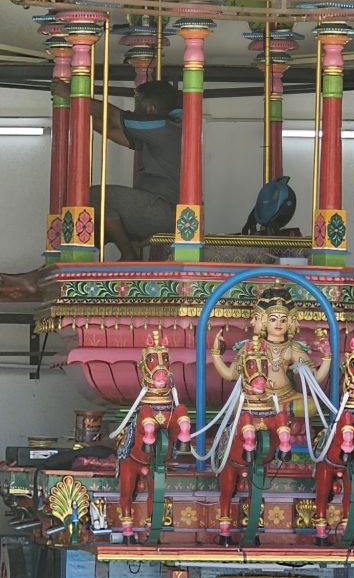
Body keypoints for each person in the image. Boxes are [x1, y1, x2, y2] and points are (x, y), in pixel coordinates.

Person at [52, 76, 182, 261]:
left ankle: (129, 255)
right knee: (90, 217)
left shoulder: (162, 126)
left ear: (150, 109)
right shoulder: (157, 132)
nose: (134, 111)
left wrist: (73, 95)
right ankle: (72, 260)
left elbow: (113, 116)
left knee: (97, 197)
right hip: (153, 209)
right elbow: (108, 128)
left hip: (164, 212)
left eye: (137, 105)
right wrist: (76, 107)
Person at [211, 286, 331, 416]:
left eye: (283, 320)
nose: (278, 324)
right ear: (263, 321)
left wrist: (327, 356)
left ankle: (272, 412)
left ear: (289, 322)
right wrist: (216, 353)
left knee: (310, 405)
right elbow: (230, 375)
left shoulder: (292, 347)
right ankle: (274, 413)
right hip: (259, 397)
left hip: (286, 396)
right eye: (273, 319)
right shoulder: (252, 347)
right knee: (238, 406)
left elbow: (315, 379)